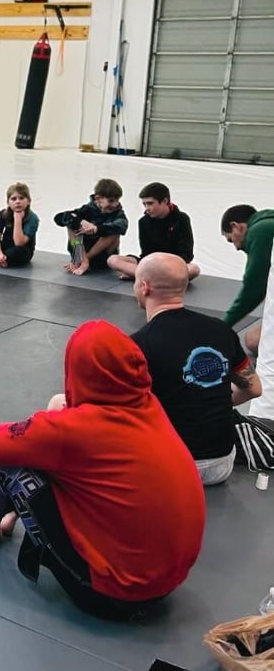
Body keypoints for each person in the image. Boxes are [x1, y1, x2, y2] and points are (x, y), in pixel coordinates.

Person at [0, 320, 204, 620]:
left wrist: (43, 428)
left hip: (111, 594)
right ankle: (8, 508)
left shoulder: (75, 431)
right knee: (63, 440)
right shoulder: (149, 406)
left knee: (8, 464)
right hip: (166, 582)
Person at [130, 253, 259, 485]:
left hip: (171, 468)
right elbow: (253, 388)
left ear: (144, 287)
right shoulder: (221, 330)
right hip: (222, 464)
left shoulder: (139, 343)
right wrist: (209, 400)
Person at [221, 204, 274, 417]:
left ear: (237, 227)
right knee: (252, 340)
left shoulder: (260, 231)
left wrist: (221, 326)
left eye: (230, 239)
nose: (235, 247)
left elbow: (253, 288)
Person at [107, 183, 199, 281]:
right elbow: (146, 252)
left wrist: (167, 264)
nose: (147, 208)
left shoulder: (182, 219)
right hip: (151, 264)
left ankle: (142, 275)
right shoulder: (143, 222)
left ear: (164, 201)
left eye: (150, 203)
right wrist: (151, 264)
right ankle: (157, 277)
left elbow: (187, 253)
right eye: (144, 204)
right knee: (113, 260)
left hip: (173, 264)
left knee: (194, 269)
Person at [53, 178, 128, 276]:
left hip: (102, 257)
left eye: (117, 200)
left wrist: (96, 229)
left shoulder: (118, 214)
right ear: (98, 198)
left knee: (114, 232)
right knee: (71, 224)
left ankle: (84, 261)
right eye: (111, 201)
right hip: (80, 252)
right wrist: (81, 222)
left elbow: (122, 226)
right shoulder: (88, 209)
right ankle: (82, 259)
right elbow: (59, 218)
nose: (115, 204)